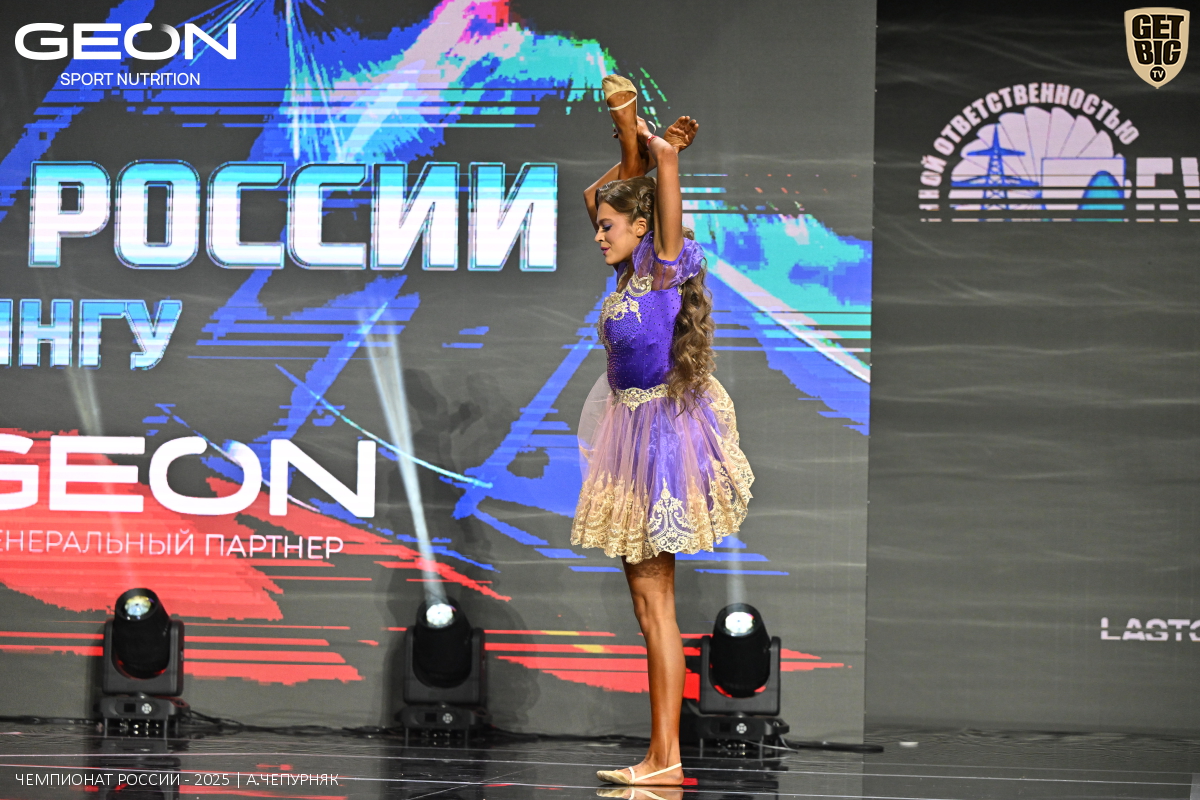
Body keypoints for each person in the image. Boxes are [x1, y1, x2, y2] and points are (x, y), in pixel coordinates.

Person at [572, 75, 754, 788]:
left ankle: (665, 756)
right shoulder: (628, 280)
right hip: (631, 434)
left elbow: (652, 197)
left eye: (609, 228)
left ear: (643, 229)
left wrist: (656, 151)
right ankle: (663, 754)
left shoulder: (662, 272)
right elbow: (600, 195)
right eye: (599, 228)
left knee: (656, 605)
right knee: (649, 608)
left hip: (658, 443)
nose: (598, 234)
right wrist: (630, 142)